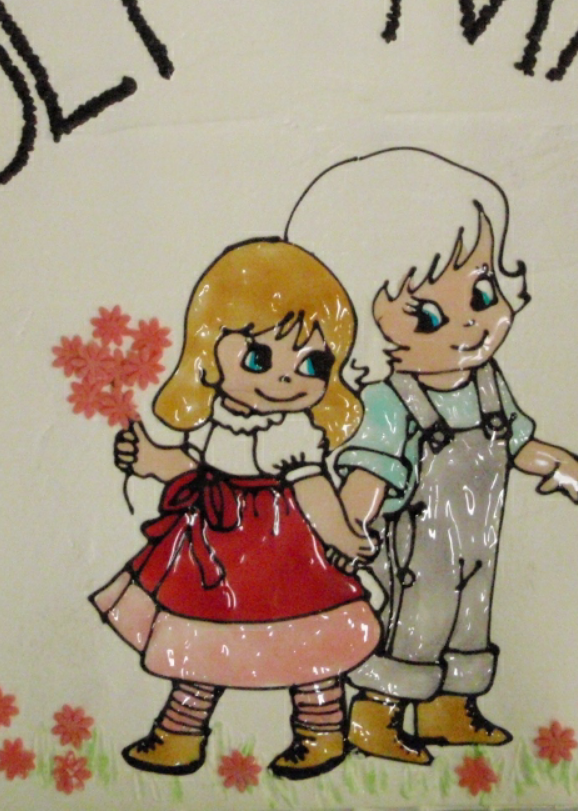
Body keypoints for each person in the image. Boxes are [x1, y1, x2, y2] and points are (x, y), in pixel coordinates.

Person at [285, 148, 578, 765]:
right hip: (415, 548)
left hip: (476, 539)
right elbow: (369, 471)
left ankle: (450, 710)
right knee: (418, 624)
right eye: (429, 316)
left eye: (482, 291)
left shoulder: (488, 383)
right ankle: (375, 716)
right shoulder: (388, 401)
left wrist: (553, 462)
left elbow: (513, 442)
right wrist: (351, 524)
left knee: (470, 617)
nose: (471, 325)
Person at [91, 238, 379, 780]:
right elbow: (198, 467)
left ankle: (322, 731)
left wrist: (343, 534)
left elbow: (313, 489)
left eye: (313, 362)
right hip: (215, 551)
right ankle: (180, 734)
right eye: (259, 357)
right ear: (208, 353)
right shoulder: (220, 415)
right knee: (201, 639)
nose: (286, 378)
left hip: (283, 546)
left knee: (308, 641)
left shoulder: (291, 431)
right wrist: (151, 458)